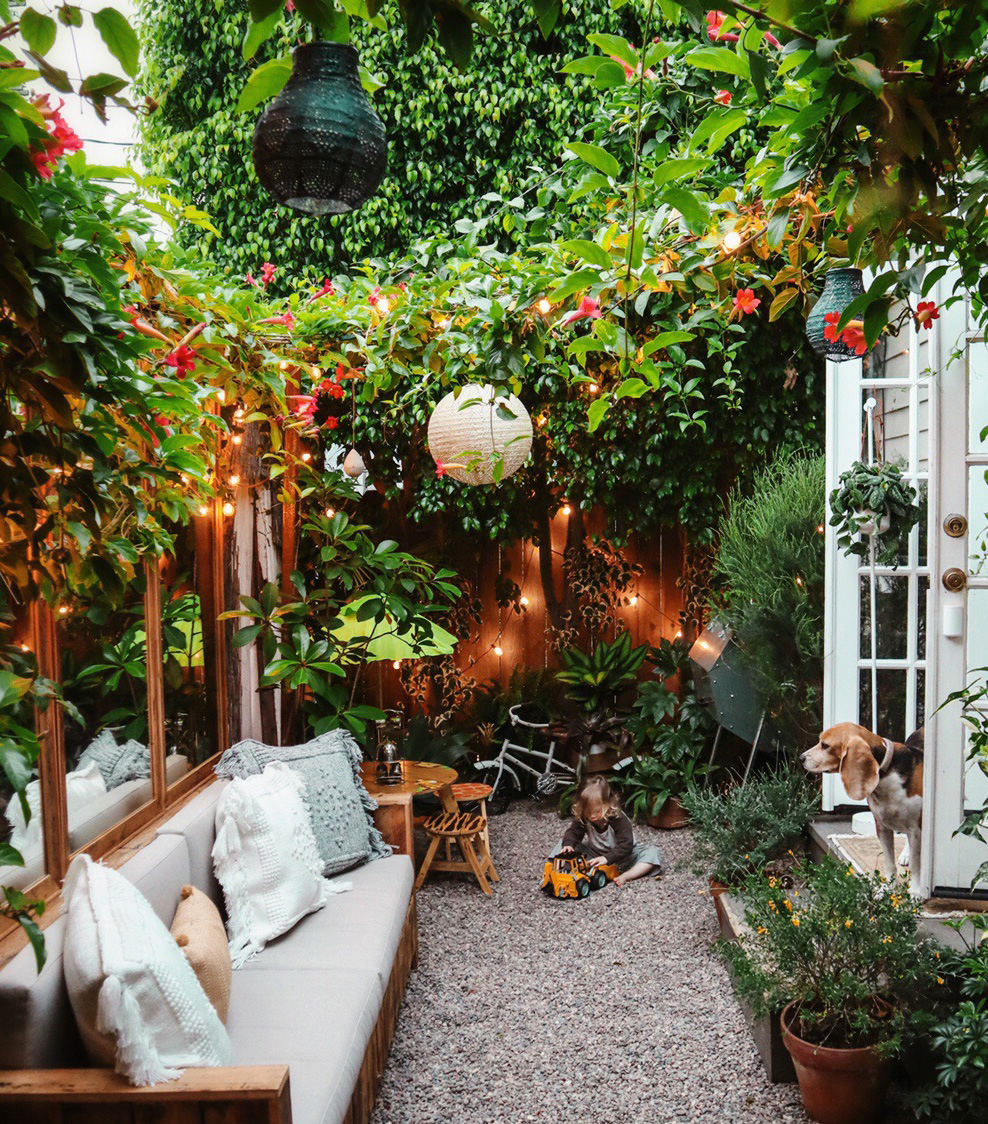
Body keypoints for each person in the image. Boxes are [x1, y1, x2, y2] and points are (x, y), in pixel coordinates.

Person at [553, 776, 662, 888]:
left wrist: (606, 859)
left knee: (652, 853)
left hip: (624, 856)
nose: (592, 816)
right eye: (588, 811)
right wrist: (568, 845)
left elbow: (626, 845)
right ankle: (559, 870)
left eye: (597, 811)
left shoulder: (618, 818)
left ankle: (626, 876)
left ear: (607, 804)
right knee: (563, 845)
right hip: (595, 854)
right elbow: (573, 832)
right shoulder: (584, 817)